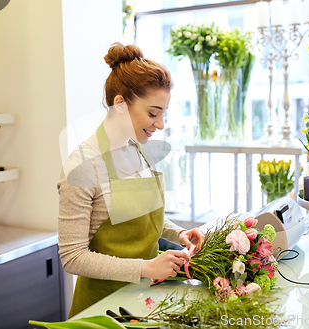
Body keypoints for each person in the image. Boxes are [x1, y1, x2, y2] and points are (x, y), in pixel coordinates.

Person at [58, 42, 205, 318]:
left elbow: (142, 217)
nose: (160, 124)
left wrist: (178, 233)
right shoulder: (82, 166)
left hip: (145, 299)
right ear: (121, 105)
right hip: (103, 310)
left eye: (163, 113)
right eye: (153, 113)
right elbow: (72, 256)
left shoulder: (137, 149)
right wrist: (146, 268)